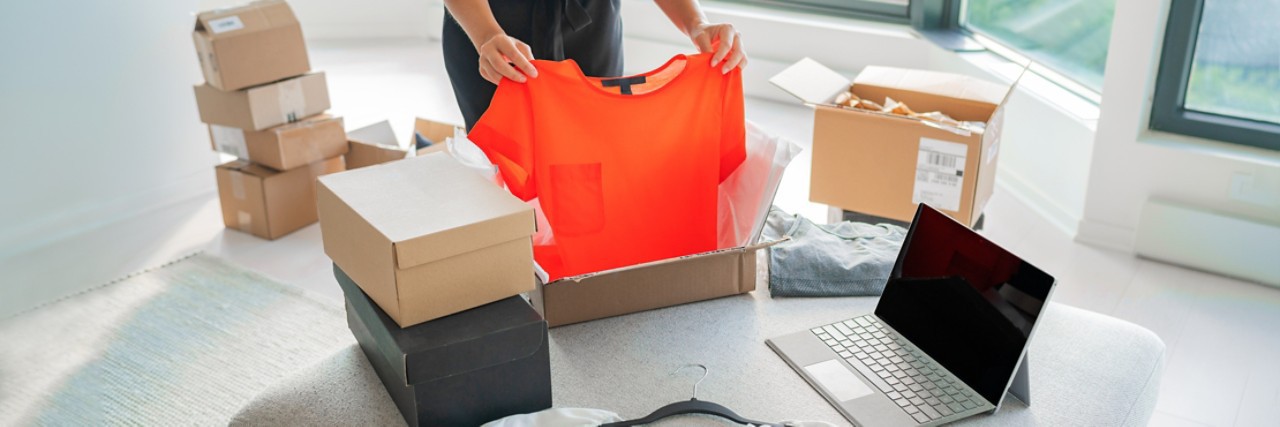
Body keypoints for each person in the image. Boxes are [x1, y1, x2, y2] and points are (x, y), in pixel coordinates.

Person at [442, 0, 749, 130]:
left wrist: (696, 23)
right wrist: (487, 34)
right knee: (502, 175)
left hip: (591, 25)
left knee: (591, 155)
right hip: (491, 27)